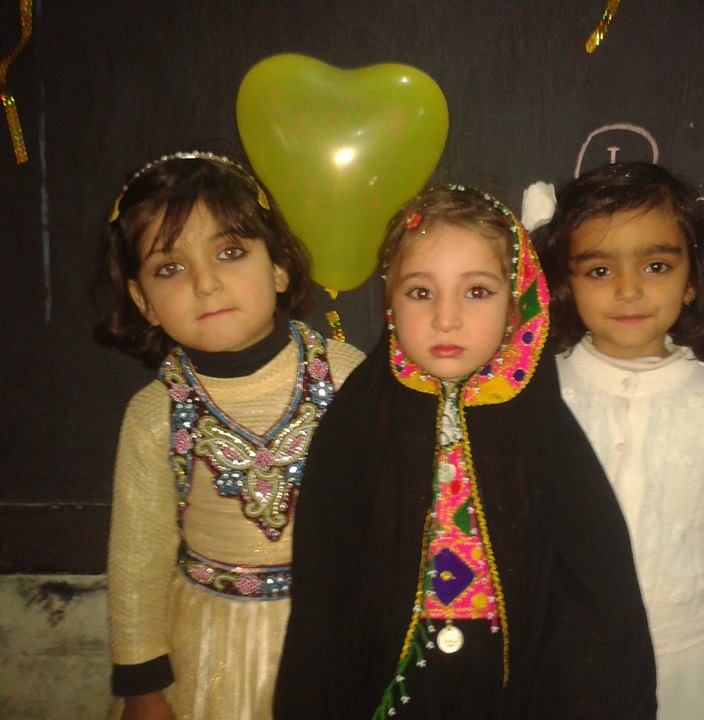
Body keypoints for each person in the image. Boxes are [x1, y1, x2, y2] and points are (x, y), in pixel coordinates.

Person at [274, 185, 657, 720]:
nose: (446, 318)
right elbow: (325, 587)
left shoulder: (541, 429)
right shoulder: (357, 424)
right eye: (420, 292)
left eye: (476, 291)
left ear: (515, 303)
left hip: (511, 689)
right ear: (390, 303)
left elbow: (596, 588)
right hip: (387, 684)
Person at [95, 151, 365, 720]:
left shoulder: (347, 378)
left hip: (335, 637)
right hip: (208, 648)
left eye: (230, 253)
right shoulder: (154, 415)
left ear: (279, 267)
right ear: (143, 301)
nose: (206, 283)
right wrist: (143, 688)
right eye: (170, 268)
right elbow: (138, 561)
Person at [533, 162, 704, 720]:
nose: (629, 290)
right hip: (565, 666)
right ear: (569, 284)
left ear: (692, 279)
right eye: (600, 270)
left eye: (656, 265)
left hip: (689, 668)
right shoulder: (541, 398)